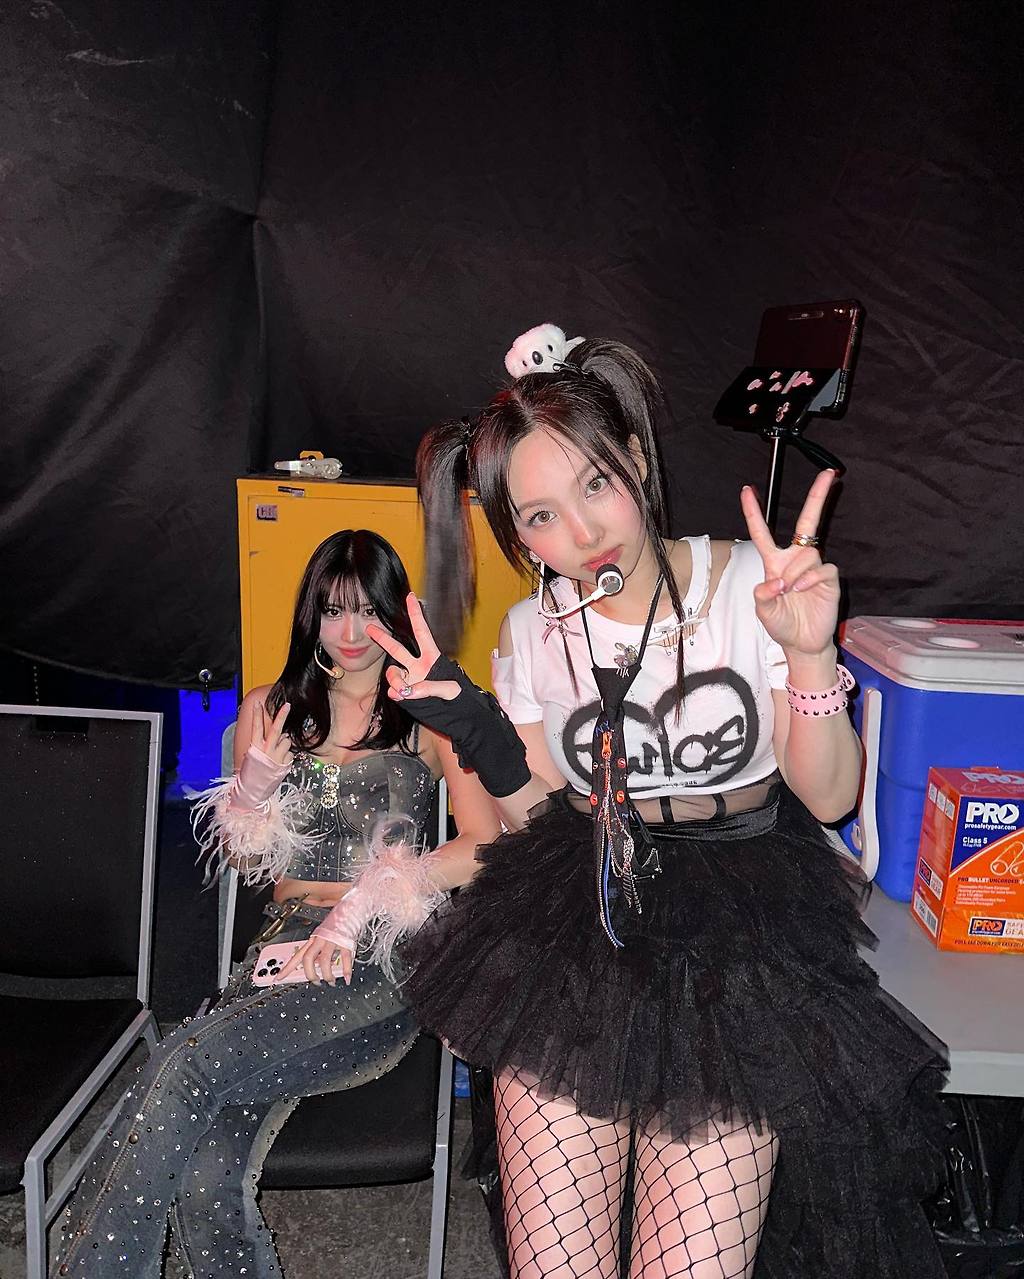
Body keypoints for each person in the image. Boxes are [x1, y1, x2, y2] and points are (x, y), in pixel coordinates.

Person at [299, 328, 949, 1278]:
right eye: (541, 515)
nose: (582, 531)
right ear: (517, 533)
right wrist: (474, 727)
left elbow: (831, 791)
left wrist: (810, 653)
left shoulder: (750, 584)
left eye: (596, 483)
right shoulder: (532, 630)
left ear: (638, 460)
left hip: (739, 921)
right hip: (580, 913)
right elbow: (537, 816)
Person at [51, 529, 500, 1279]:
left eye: (367, 611)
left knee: (181, 1066)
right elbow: (245, 862)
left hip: (381, 948)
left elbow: (486, 844)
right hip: (282, 949)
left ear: (395, 612)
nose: (350, 632)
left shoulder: (427, 711)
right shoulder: (271, 707)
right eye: (332, 610)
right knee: (205, 1169)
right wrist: (252, 792)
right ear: (310, 615)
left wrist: (369, 896)